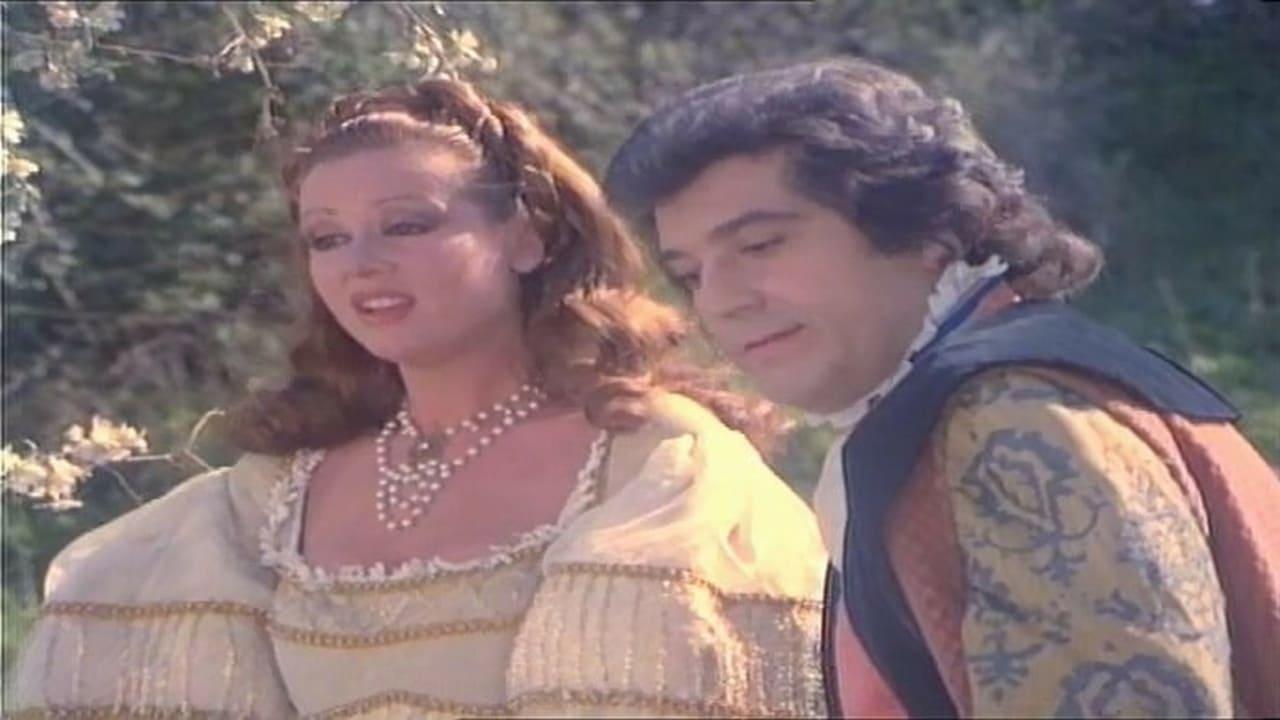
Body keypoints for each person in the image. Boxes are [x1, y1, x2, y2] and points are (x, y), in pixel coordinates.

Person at [12, 78, 831, 718]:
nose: (361, 262)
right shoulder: (266, 498)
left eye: (406, 225)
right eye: (328, 238)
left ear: (526, 236)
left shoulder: (654, 463)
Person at [604, 57, 1280, 718]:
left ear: (925, 232)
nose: (720, 301)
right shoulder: (976, 403)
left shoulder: (1013, 418)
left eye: (760, 245)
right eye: (690, 275)